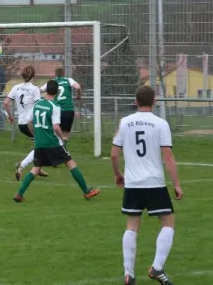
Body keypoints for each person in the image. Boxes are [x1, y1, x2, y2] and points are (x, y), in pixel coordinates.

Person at [110, 85, 183, 285]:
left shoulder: (124, 123)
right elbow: (168, 158)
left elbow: (114, 154)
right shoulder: (160, 124)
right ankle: (157, 268)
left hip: (132, 184)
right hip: (154, 183)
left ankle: (128, 273)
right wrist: (176, 184)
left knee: (132, 226)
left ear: (135, 101)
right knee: (168, 223)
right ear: (154, 102)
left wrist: (118, 175)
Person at [13, 80, 99, 203]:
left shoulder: (37, 104)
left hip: (40, 142)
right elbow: (56, 127)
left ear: (46, 90)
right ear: (57, 92)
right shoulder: (54, 107)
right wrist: (61, 138)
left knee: (36, 169)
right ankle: (87, 191)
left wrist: (35, 134)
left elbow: (29, 122)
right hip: (53, 142)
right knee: (71, 164)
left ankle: (19, 194)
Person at [3, 65, 48, 180]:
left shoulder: (16, 87)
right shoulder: (34, 89)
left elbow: (6, 103)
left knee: (39, 145)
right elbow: (38, 105)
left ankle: (38, 168)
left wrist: (10, 116)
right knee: (43, 145)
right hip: (31, 123)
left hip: (21, 124)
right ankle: (22, 165)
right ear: (33, 75)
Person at [40, 67, 81, 146]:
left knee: (55, 132)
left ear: (55, 74)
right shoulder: (69, 80)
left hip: (55, 110)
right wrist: (79, 95)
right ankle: (63, 148)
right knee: (65, 134)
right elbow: (78, 87)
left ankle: (56, 149)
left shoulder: (52, 82)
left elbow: (40, 90)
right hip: (68, 110)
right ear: (64, 73)